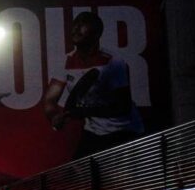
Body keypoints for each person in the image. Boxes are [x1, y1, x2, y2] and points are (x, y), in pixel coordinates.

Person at [43, 11, 144, 158]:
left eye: (83, 24)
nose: (76, 28)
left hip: (124, 130)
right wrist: (54, 116)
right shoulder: (66, 62)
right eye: (75, 24)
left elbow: (123, 107)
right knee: (78, 169)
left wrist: (83, 112)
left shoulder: (113, 63)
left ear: (97, 34)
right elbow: (50, 100)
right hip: (93, 131)